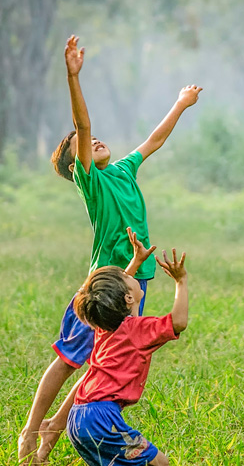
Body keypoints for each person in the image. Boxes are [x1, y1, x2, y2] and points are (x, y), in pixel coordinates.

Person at [18, 34, 201, 464]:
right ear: (75, 163)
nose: (94, 139)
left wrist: (180, 103)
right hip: (103, 287)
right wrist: (72, 76)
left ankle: (48, 442)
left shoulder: (122, 169)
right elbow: (82, 126)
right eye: (83, 145)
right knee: (68, 361)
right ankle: (31, 431)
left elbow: (153, 140)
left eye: (97, 138)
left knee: (101, 367)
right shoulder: (92, 181)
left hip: (134, 282)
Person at [66, 230, 188, 466]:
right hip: (102, 419)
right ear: (129, 299)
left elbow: (113, 295)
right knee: (160, 463)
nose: (129, 275)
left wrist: (136, 261)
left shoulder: (105, 324)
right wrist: (181, 281)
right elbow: (179, 321)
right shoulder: (137, 330)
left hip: (78, 417)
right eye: (127, 277)